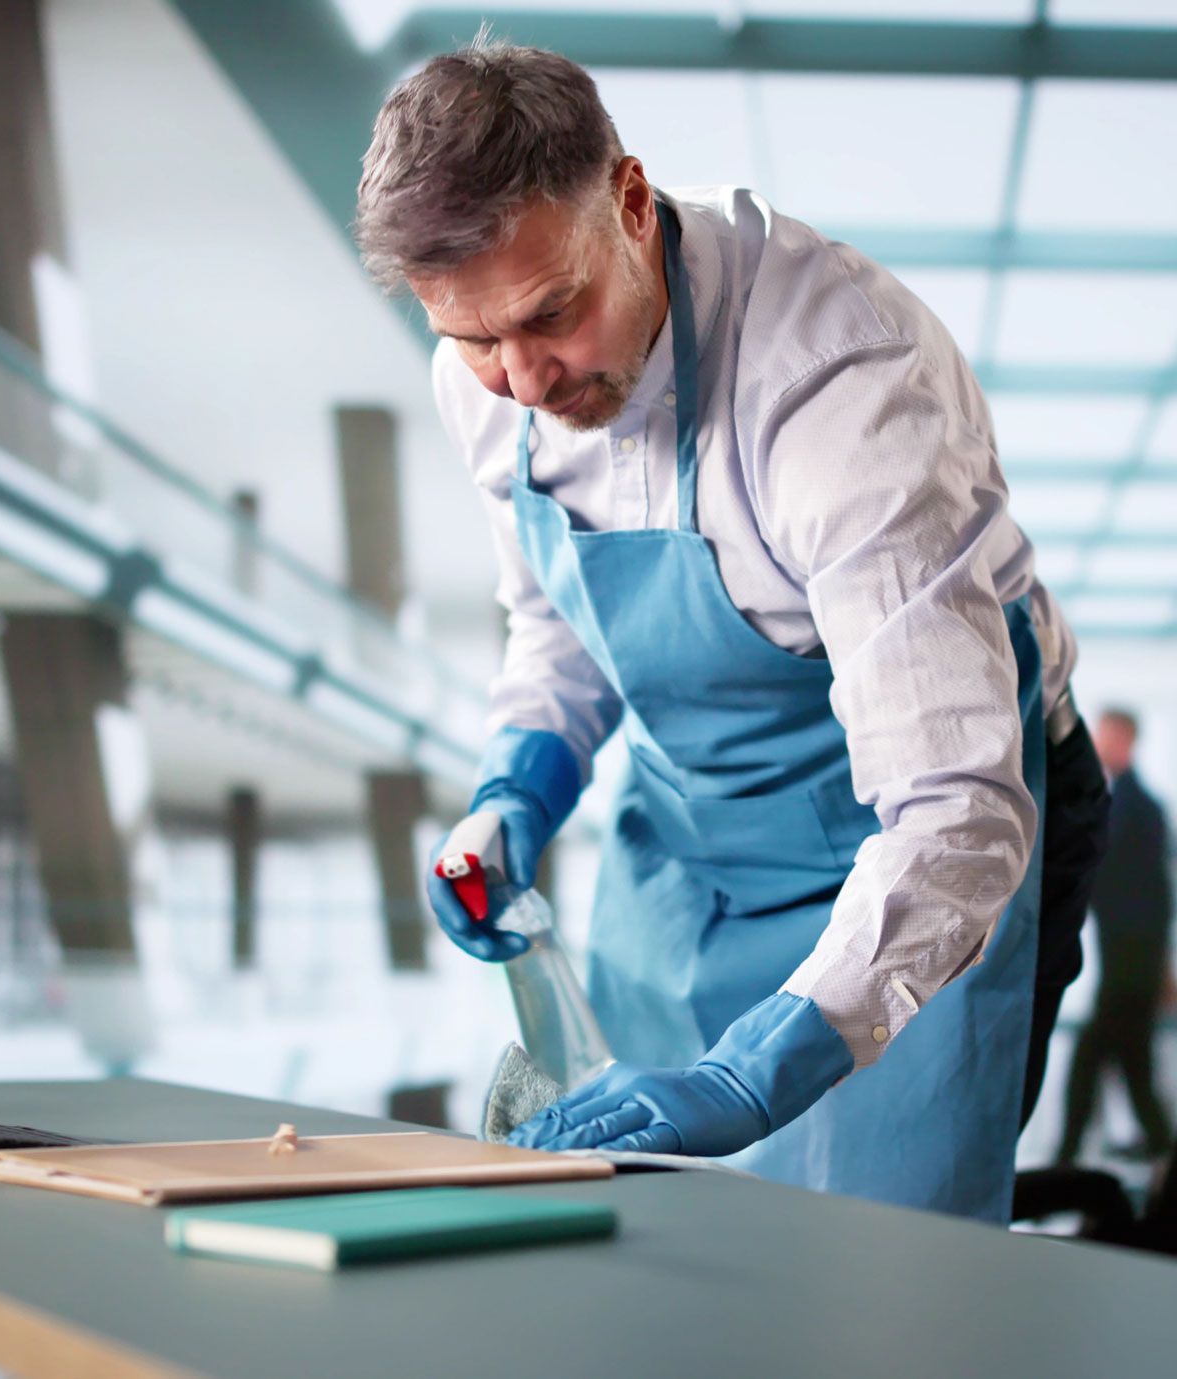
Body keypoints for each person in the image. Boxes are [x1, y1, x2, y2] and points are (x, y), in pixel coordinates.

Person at [357, 41, 1112, 1221]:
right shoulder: (494, 378)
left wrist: (753, 1069)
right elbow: (561, 619)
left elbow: (956, 805)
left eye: (551, 314)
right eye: (473, 339)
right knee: (648, 1232)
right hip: (694, 844)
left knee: (882, 1269)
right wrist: (517, 790)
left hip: (928, 838)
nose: (523, 379)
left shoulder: (842, 386)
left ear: (631, 200)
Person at [1057, 709, 1173, 1163]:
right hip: (1130, 955)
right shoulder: (1127, 801)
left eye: (1105, 732)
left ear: (1124, 738)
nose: (1098, 740)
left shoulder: (1131, 806)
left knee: (1091, 1055)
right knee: (1132, 1060)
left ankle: (1065, 1154)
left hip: (1131, 958)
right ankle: (1163, 1149)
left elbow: (1116, 882)